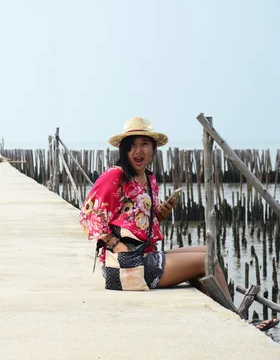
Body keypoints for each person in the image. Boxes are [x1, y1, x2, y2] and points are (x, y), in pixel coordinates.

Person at [79, 117, 278, 332]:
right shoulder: (116, 175)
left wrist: (159, 217)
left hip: (144, 256)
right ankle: (238, 323)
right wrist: (115, 244)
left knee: (208, 251)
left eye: (144, 144)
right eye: (132, 145)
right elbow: (88, 214)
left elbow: (137, 223)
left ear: (153, 149)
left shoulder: (149, 178)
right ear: (124, 150)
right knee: (205, 261)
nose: (138, 151)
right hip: (126, 267)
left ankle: (229, 318)